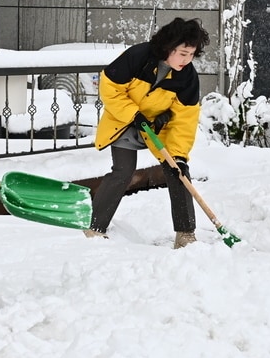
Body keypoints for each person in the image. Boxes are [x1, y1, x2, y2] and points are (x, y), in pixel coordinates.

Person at [87, 17, 210, 248]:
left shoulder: (187, 77)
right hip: (124, 120)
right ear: (168, 47)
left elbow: (184, 120)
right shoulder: (138, 57)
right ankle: (95, 227)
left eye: (192, 54)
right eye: (183, 53)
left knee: (178, 171)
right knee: (123, 171)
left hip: (156, 127)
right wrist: (133, 114)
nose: (187, 60)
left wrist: (179, 156)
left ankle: (186, 234)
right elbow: (110, 87)